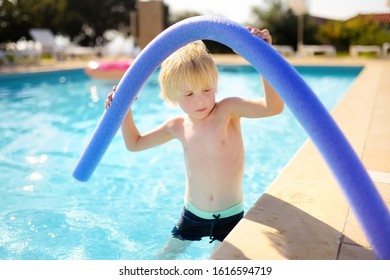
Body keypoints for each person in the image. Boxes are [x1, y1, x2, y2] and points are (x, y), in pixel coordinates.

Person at [104, 26, 284, 258]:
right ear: (172, 95)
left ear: (215, 85)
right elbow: (135, 143)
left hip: (231, 218)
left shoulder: (227, 111)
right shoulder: (177, 126)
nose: (200, 100)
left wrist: (263, 55)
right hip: (192, 216)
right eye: (188, 95)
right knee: (163, 260)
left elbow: (274, 107)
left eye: (207, 89)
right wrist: (123, 109)